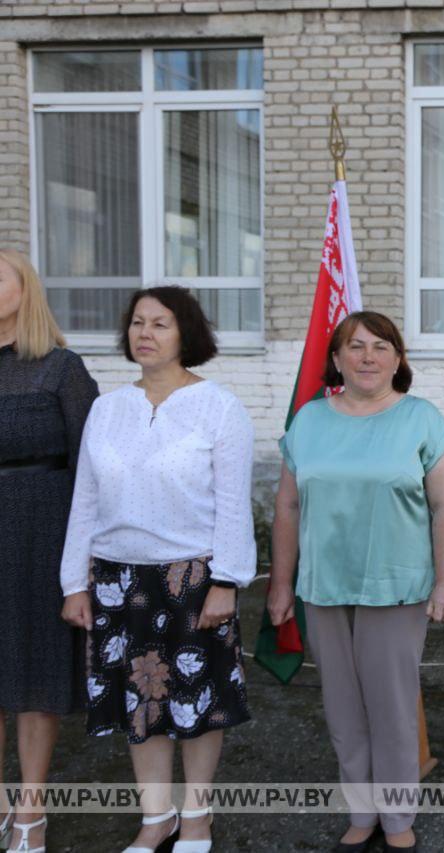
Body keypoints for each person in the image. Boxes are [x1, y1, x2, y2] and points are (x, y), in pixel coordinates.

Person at [60, 286, 255, 853]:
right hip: (117, 578)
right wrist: (75, 582)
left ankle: (197, 816)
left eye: (161, 323)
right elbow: (86, 501)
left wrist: (227, 579)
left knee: (197, 699)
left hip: (192, 578)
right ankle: (156, 816)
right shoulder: (107, 408)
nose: (145, 333)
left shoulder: (219, 406)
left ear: (186, 334)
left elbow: (233, 503)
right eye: (138, 323)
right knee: (138, 703)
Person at [268, 310, 444, 853]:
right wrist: (280, 584)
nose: (368, 356)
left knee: (392, 708)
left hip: (395, 587)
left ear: (398, 358)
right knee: (343, 707)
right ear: (336, 359)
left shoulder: (421, 418)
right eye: (355, 346)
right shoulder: (309, 420)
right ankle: (361, 810)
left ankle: (398, 820)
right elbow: (286, 505)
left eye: (381, 346)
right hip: (323, 584)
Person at [0, 249, 98, 853]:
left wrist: (83, 559)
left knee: (34, 672)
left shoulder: (61, 368)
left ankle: (30, 812)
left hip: (41, 529)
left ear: (24, 290)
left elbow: (93, 467)